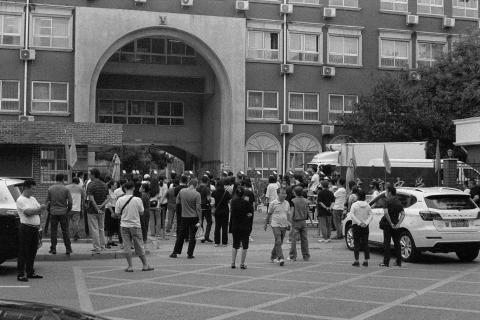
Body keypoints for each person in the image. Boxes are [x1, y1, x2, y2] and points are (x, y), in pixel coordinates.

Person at [115, 181, 154, 272]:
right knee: (139, 245)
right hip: (135, 226)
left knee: (127, 246)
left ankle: (130, 266)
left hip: (124, 226)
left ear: (124, 189)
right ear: (133, 188)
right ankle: (145, 265)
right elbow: (141, 212)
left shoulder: (120, 200)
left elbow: (117, 213)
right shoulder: (137, 200)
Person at [16, 179, 46, 282]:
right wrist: (39, 210)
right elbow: (28, 212)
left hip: (34, 229)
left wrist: (39, 210)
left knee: (32, 251)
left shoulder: (32, 199)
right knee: (23, 252)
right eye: (32, 189)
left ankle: (30, 272)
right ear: (26, 188)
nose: (34, 191)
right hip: (26, 228)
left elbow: (38, 211)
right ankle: (20, 274)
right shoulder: (21, 200)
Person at [170, 179, 202, 259]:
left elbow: (177, 202)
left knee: (181, 235)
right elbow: (198, 208)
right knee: (192, 236)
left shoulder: (182, 191)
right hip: (194, 217)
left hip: (184, 216)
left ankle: (175, 252)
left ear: (189, 183)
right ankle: (190, 254)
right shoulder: (197, 194)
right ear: (196, 185)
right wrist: (200, 219)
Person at [47, 173, 73, 255]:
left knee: (53, 231)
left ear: (56, 179)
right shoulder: (66, 189)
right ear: (62, 180)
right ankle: (68, 248)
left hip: (53, 212)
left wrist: (49, 210)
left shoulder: (50, 189)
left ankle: (53, 248)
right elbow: (70, 202)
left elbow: (47, 201)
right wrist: (68, 210)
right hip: (63, 212)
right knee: (65, 230)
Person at [380, 185, 405, 267]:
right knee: (397, 243)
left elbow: (386, 213)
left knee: (387, 243)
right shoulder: (398, 201)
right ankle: (399, 261)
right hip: (396, 224)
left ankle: (386, 262)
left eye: (386, 191)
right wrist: (398, 223)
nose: (386, 193)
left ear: (390, 192)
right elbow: (403, 214)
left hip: (388, 225)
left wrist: (390, 223)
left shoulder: (386, 201)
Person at [264, 188, 290, 266]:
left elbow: (288, 214)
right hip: (275, 224)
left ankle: (273, 256)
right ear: (278, 194)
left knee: (279, 242)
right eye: (282, 193)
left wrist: (289, 223)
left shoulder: (287, 203)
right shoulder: (273, 203)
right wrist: (266, 223)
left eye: (285, 193)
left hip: (284, 225)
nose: (284, 195)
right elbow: (269, 214)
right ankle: (281, 258)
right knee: (278, 241)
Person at [230, 186, 254, 269]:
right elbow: (250, 214)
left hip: (235, 226)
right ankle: (242, 264)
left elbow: (232, 215)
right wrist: (247, 216)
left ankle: (233, 263)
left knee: (235, 244)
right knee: (245, 245)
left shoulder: (233, 202)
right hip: (245, 226)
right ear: (243, 194)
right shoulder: (247, 203)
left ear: (236, 193)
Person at [86, 168, 109, 254]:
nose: (89, 175)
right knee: (101, 228)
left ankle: (97, 247)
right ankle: (103, 246)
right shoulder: (104, 185)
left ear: (93, 175)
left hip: (92, 210)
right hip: (102, 210)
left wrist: (96, 208)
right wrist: (101, 206)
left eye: (90, 174)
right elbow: (108, 198)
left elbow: (91, 198)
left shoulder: (91, 185)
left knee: (94, 229)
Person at [350, 190, 373, 267]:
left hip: (356, 226)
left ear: (358, 196)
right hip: (365, 226)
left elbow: (352, 215)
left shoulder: (354, 205)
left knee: (356, 243)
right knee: (365, 243)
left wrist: (358, 223)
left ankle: (356, 260)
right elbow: (371, 215)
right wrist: (366, 223)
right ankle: (366, 260)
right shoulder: (368, 205)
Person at [288, 186, 311, 262]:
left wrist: (289, 222)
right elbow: (308, 212)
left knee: (294, 240)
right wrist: (311, 220)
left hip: (296, 221)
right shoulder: (306, 201)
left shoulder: (293, 201)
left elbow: (292, 212)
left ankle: (293, 256)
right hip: (303, 222)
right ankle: (306, 256)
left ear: (295, 192)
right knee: (304, 239)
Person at [212, 180, 232, 247]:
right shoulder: (226, 192)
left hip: (217, 211)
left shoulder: (214, 192)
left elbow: (212, 202)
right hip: (225, 211)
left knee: (217, 227)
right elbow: (229, 201)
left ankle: (217, 242)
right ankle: (224, 242)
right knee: (225, 227)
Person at [66, 177, 85, 242]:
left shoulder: (67, 187)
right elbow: (83, 198)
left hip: (67, 208)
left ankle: (66, 235)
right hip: (77, 209)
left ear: (72, 181)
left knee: (66, 223)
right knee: (75, 223)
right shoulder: (80, 188)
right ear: (78, 182)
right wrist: (83, 208)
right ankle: (75, 235)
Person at [197, 175, 213, 243]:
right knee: (209, 222)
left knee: (201, 221)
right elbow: (208, 198)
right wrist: (211, 202)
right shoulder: (207, 189)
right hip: (206, 207)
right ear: (207, 181)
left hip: (199, 207)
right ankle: (206, 236)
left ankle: (202, 237)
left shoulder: (197, 188)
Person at [104, 180, 118, 249]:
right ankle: (106, 242)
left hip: (114, 209)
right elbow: (108, 203)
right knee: (108, 226)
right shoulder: (108, 192)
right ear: (111, 185)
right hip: (109, 210)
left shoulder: (113, 192)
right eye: (115, 185)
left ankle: (110, 241)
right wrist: (112, 212)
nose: (116, 186)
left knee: (112, 226)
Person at [139, 183, 151, 250]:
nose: (139, 188)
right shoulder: (146, 194)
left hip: (144, 212)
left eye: (141, 187)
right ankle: (144, 242)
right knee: (145, 227)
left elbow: (141, 205)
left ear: (143, 189)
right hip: (147, 211)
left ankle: (144, 243)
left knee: (143, 227)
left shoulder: (143, 195)